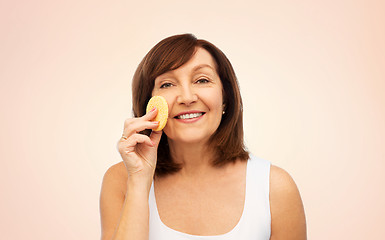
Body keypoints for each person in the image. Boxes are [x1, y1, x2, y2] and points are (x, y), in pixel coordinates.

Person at [99, 33, 307, 240]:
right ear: (150, 103)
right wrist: (138, 180)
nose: (187, 98)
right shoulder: (122, 180)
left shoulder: (275, 188)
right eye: (167, 84)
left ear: (225, 98)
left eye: (202, 80)